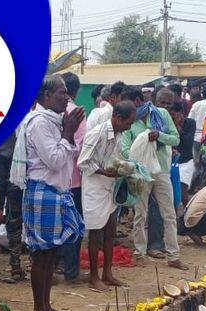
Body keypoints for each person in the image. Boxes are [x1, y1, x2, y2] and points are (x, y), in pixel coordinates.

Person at [12, 75, 85, 311]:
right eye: (61, 93)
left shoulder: (54, 121)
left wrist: (67, 132)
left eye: (66, 93)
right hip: (42, 191)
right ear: (45, 97)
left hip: (55, 192)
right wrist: (67, 132)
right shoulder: (40, 122)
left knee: (52, 253)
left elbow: (68, 154)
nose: (66, 98)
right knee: (42, 255)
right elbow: (55, 159)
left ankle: (47, 306)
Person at [122, 89, 189, 271]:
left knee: (169, 213)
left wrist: (159, 136)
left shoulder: (162, 115)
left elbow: (175, 139)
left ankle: (173, 255)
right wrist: (141, 157)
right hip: (141, 173)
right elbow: (126, 150)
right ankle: (140, 253)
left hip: (161, 171)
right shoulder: (131, 123)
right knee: (140, 214)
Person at [78, 101, 136, 291]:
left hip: (110, 186)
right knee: (95, 233)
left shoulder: (119, 135)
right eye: (128, 122)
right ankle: (94, 276)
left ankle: (108, 273)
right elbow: (83, 162)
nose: (129, 126)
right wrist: (105, 172)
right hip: (95, 186)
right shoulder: (97, 133)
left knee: (111, 230)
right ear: (118, 118)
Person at [58, 72, 87, 284]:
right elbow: (81, 147)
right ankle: (71, 271)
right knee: (74, 226)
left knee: (57, 225)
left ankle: (59, 266)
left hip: (54, 180)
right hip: (73, 179)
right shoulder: (76, 113)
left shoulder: (44, 112)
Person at [0, 134, 26, 282]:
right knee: (29, 228)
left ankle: (15, 266)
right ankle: (33, 264)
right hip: (28, 189)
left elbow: (1, 183)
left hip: (12, 193)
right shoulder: (17, 143)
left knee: (14, 230)